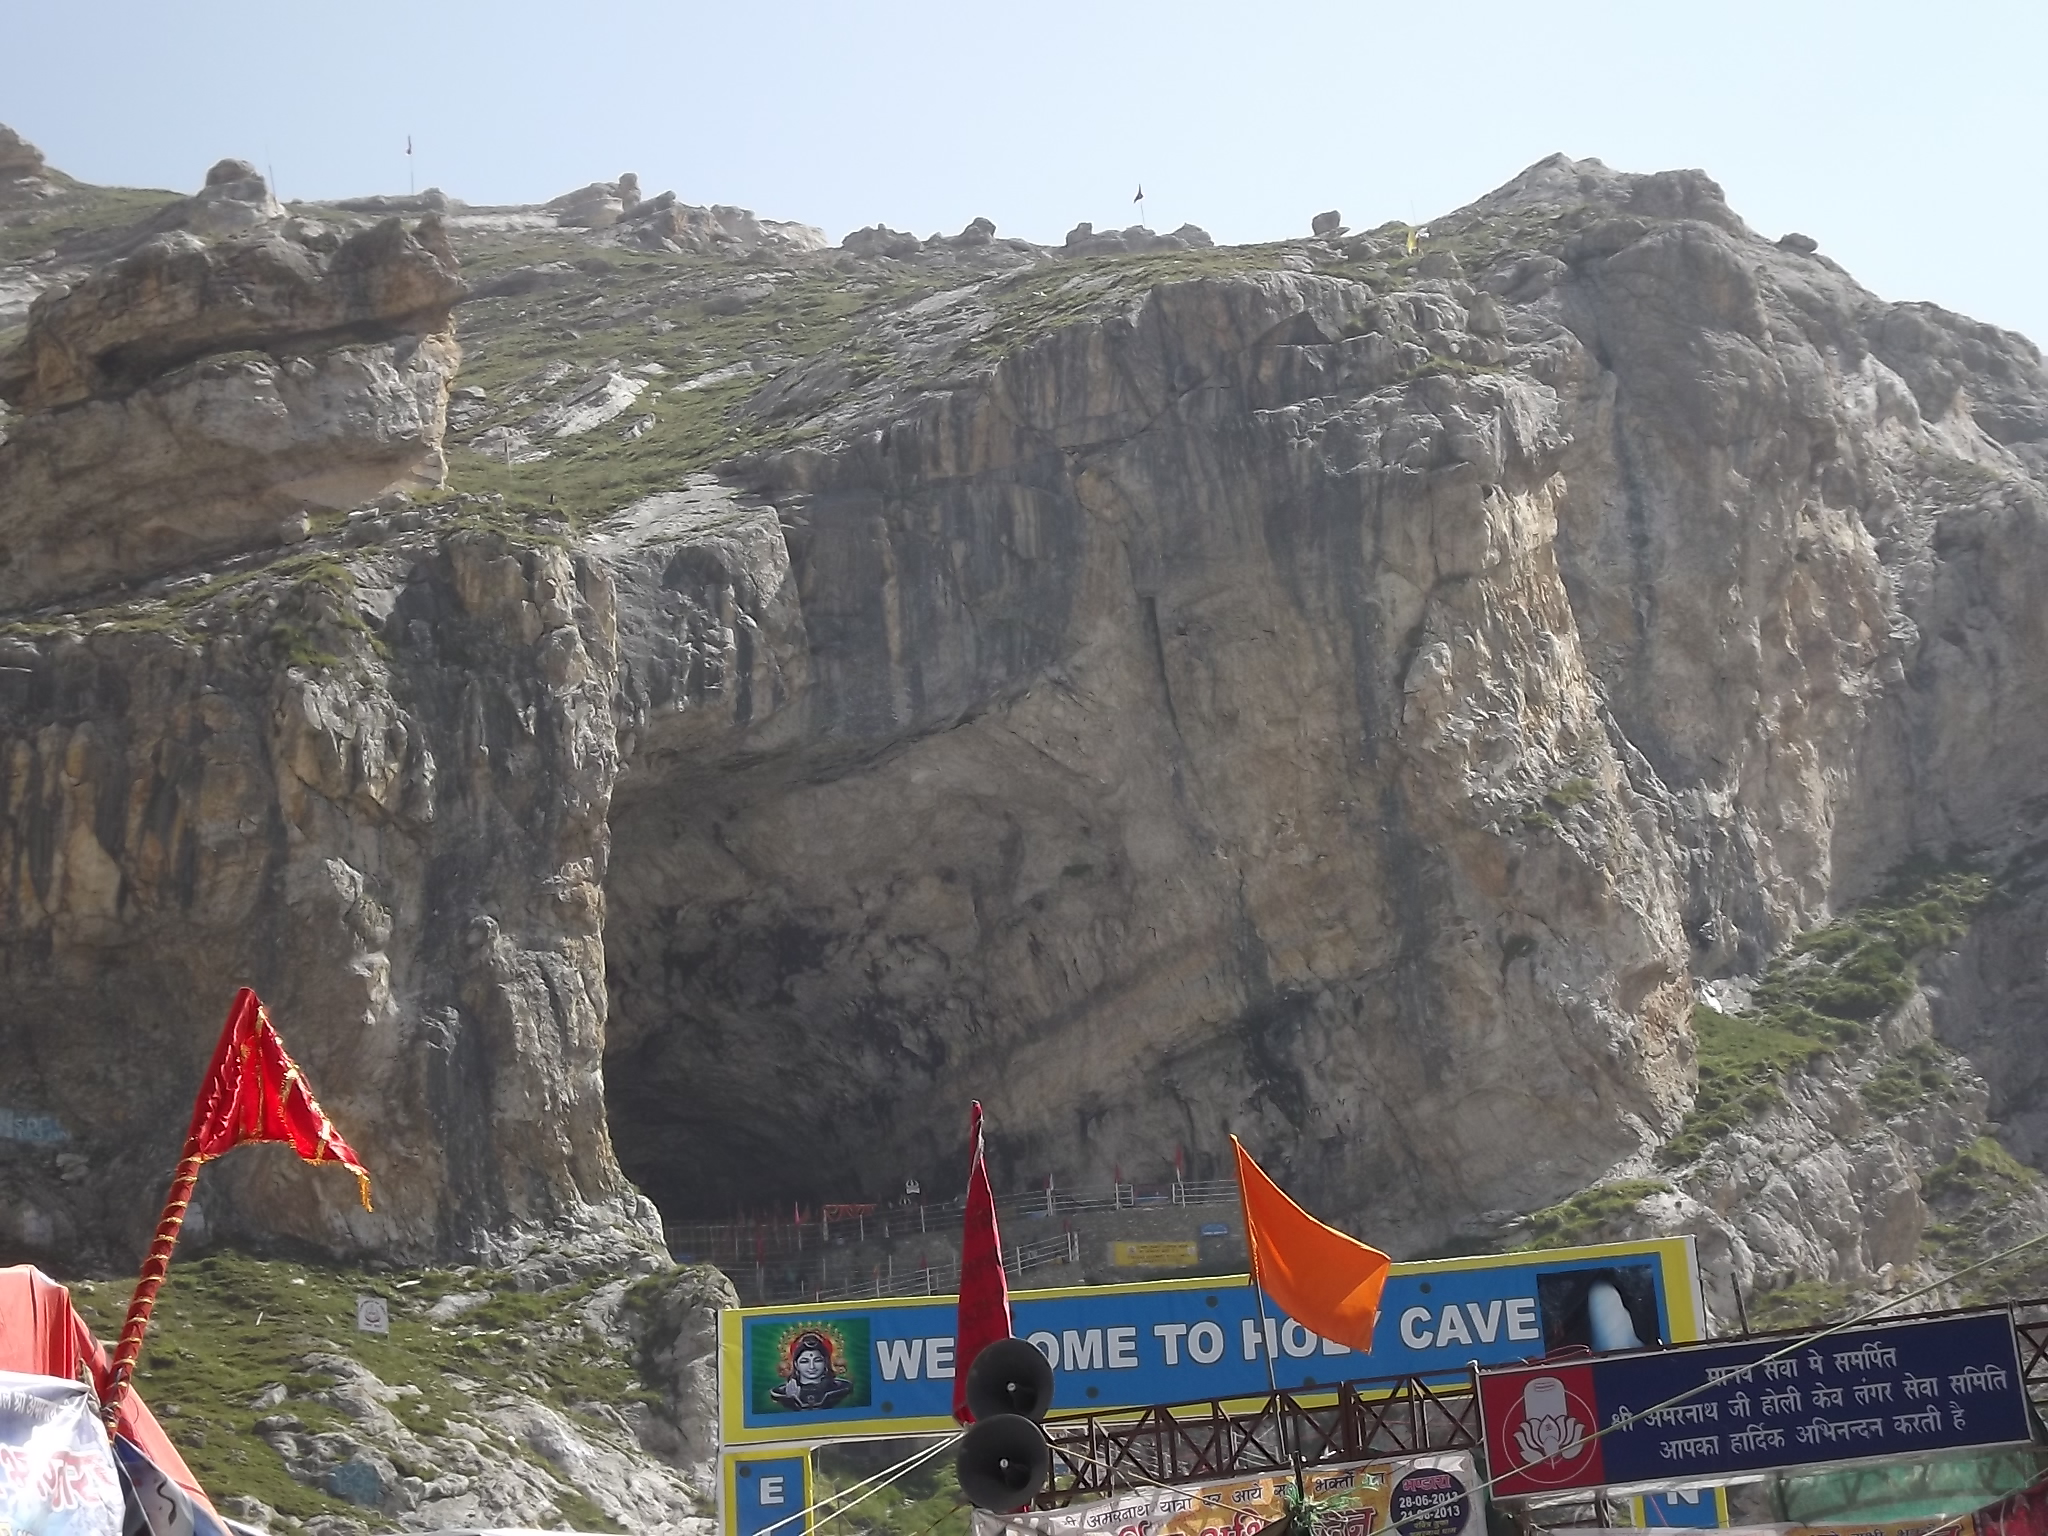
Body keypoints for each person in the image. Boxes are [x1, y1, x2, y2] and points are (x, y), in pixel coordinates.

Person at [770, 1330, 854, 1410]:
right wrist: (791, 1400)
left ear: (826, 1362)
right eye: (804, 1361)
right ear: (796, 1364)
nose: (812, 1367)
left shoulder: (840, 1388)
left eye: (817, 1360)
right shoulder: (782, 1392)